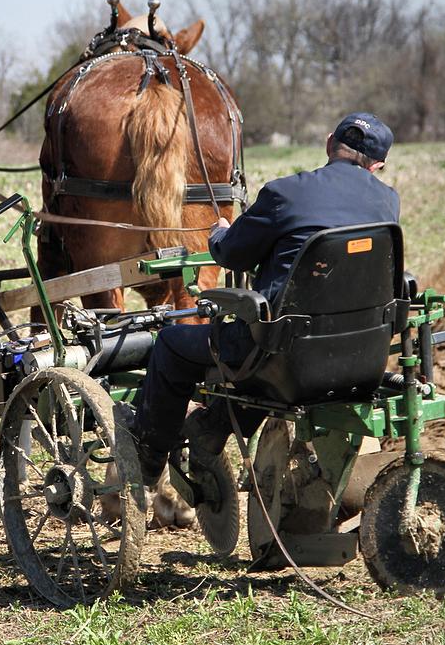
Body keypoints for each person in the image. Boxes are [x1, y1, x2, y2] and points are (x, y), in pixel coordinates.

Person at [131, 112, 401, 485]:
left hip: (282, 358)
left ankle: (147, 458)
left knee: (173, 344)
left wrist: (219, 234)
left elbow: (232, 255)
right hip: (362, 358)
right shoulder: (389, 202)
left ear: (328, 143)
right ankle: (211, 428)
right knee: (254, 355)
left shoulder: (285, 193)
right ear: (378, 164)